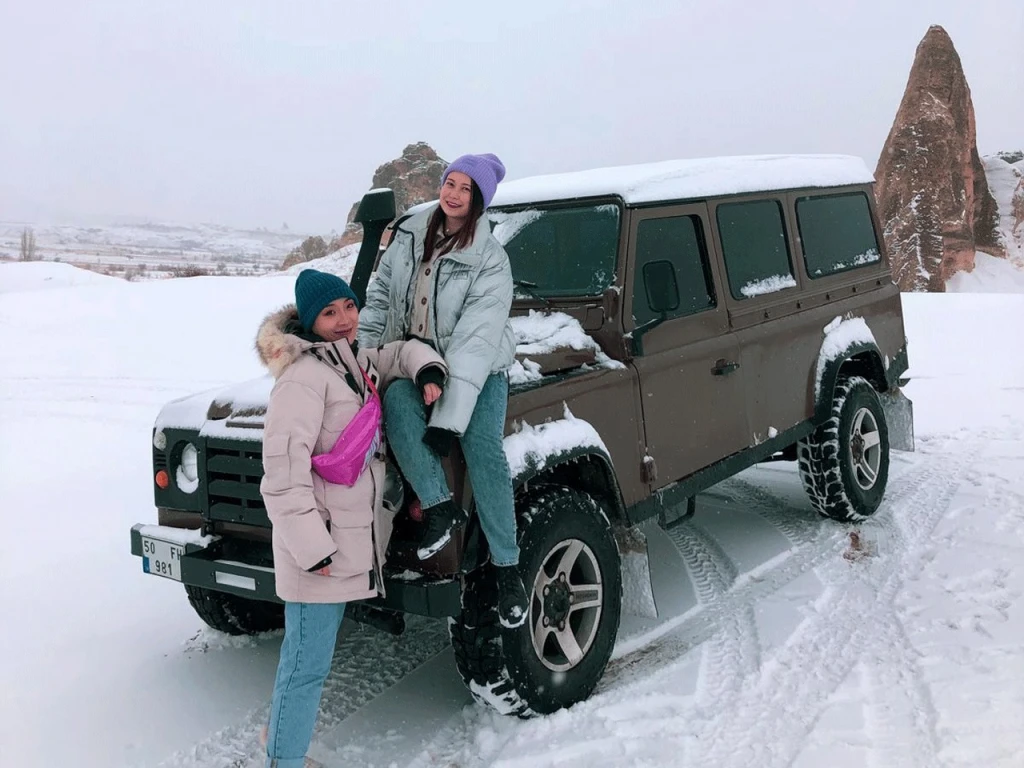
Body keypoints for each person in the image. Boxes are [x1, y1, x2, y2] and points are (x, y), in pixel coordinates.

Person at [256, 268, 446, 768]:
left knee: (305, 663)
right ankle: (283, 759)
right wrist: (312, 549)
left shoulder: (353, 361)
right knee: (305, 667)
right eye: (329, 312)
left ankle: (280, 742)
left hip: (341, 545)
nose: (343, 319)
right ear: (309, 322)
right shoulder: (302, 380)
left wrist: (428, 370)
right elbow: (282, 477)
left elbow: (399, 353)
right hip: (318, 553)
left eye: (348, 307)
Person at [357, 152, 529, 629]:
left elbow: (474, 344)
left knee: (481, 447)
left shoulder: (490, 259)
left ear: (478, 200)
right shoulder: (410, 236)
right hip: (417, 361)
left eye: (465, 188)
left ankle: (508, 567)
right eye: (449, 182)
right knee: (395, 404)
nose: (452, 194)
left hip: (479, 367)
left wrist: (447, 421)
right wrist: (363, 358)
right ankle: (438, 508)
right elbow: (379, 297)